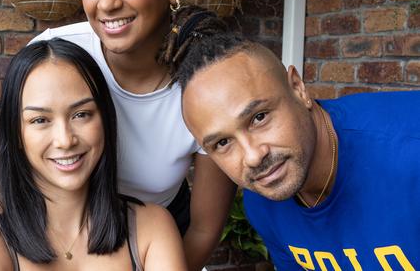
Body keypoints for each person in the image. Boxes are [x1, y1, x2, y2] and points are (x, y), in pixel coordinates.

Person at [31, 0, 236, 268]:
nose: (106, 3)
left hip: (160, 245)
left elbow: (204, 228)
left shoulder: (207, 84)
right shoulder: (55, 58)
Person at [175, 27, 420, 270]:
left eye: (259, 117)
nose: (252, 156)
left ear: (298, 88)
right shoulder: (263, 202)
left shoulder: (409, 154)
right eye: (223, 143)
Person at [0, 38, 186, 270]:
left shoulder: (152, 227)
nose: (65, 140)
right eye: (40, 120)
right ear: (16, 132)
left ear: (105, 119)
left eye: (81, 114)